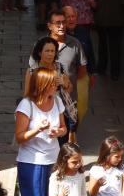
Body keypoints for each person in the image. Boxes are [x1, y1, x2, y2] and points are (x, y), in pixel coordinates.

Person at [15, 68, 67, 196]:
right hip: (32, 162)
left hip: (53, 160)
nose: (56, 86)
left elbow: (64, 128)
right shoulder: (26, 105)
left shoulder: (57, 101)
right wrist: (37, 129)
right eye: (53, 83)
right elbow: (20, 136)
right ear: (43, 85)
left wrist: (58, 132)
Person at [29, 11, 88, 144]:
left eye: (64, 22)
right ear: (50, 26)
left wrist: (66, 84)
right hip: (43, 103)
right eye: (57, 23)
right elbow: (32, 74)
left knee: (63, 142)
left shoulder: (75, 43)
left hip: (66, 103)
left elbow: (82, 70)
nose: (61, 26)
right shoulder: (40, 44)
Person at [93, 0, 124, 80]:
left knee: (102, 45)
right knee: (115, 46)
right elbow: (123, 2)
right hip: (116, 20)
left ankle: (102, 68)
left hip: (101, 20)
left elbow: (94, 4)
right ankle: (115, 72)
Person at [61, 0, 96, 73]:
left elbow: (63, 2)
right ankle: (84, 64)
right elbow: (93, 5)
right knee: (84, 43)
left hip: (70, 20)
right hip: (85, 21)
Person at [62, 5, 91, 127]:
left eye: (73, 16)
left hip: (82, 75)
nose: (71, 19)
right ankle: (69, 132)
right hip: (67, 76)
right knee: (67, 106)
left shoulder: (82, 31)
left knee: (82, 105)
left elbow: (90, 51)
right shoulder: (60, 34)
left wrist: (93, 72)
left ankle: (74, 129)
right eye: (68, 17)